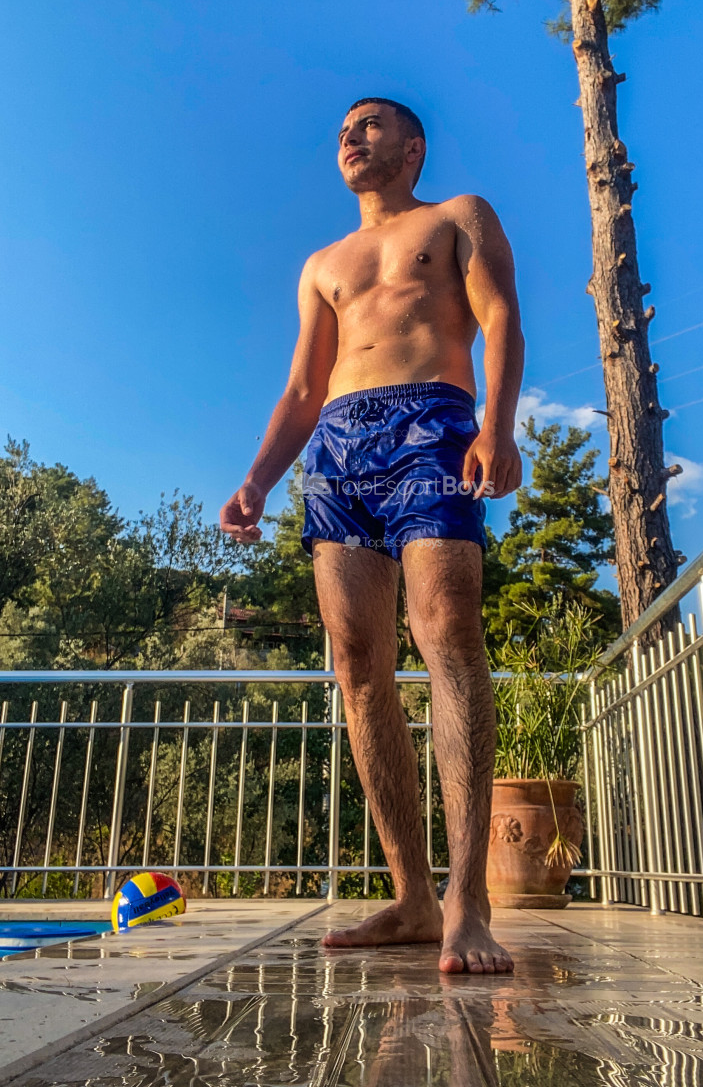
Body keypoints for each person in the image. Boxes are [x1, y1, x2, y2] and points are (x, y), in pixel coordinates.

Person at [220, 98, 524, 974]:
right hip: (339, 447)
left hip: (432, 423)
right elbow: (302, 388)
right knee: (357, 665)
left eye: (370, 125)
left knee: (448, 634)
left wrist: (496, 427)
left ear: (413, 146)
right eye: (343, 131)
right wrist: (257, 480)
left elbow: (500, 317)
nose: (350, 137)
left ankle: (469, 901)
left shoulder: (457, 216)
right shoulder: (323, 263)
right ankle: (413, 897)